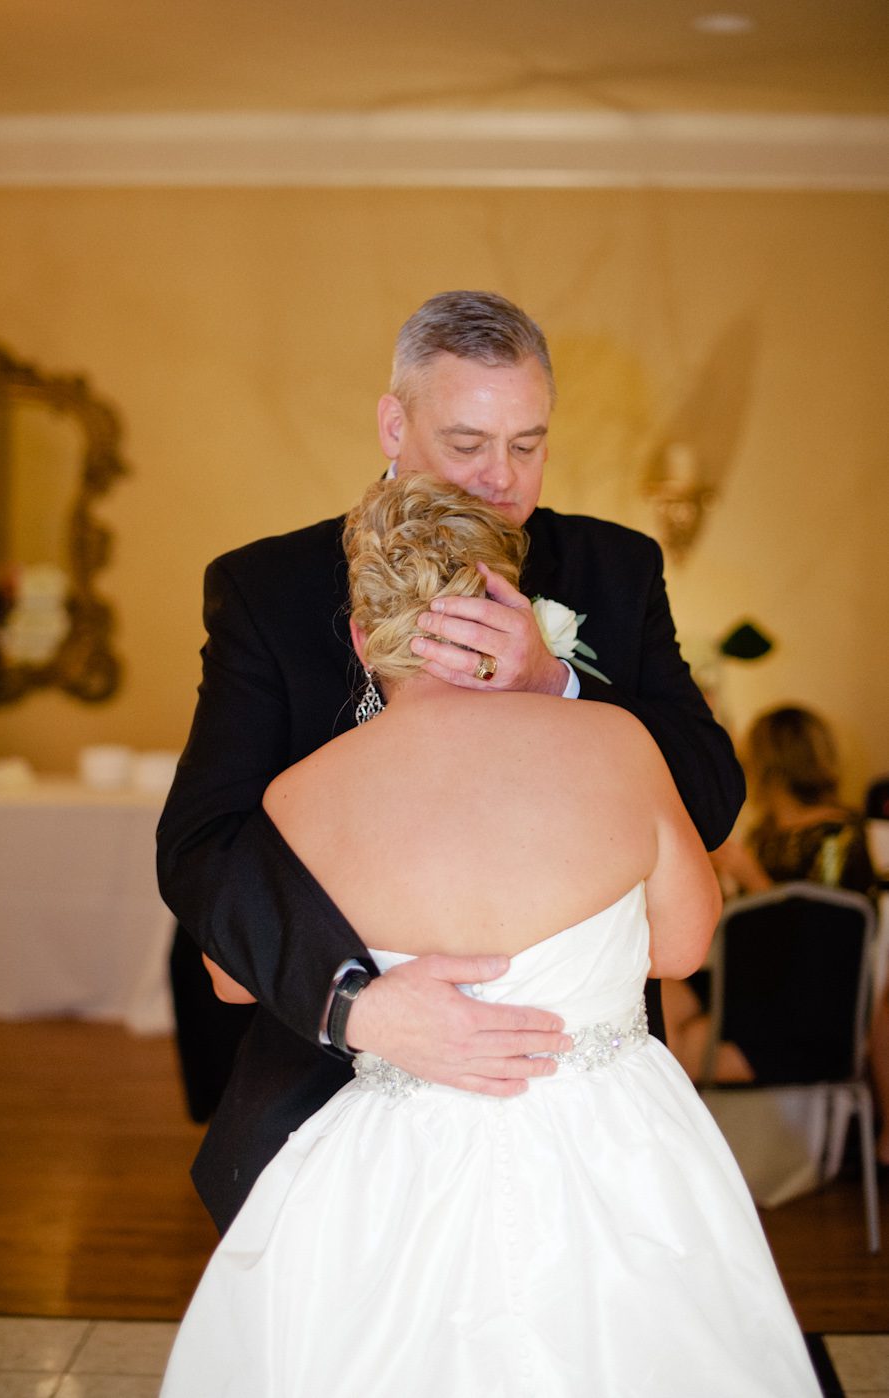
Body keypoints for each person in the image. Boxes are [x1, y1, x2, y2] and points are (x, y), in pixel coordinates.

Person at [159, 475, 817, 1397]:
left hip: (397, 1160)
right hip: (613, 1148)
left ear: (359, 638)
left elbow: (231, 977)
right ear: (513, 612)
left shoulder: (300, 795)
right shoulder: (618, 745)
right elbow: (684, 946)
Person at [156, 289, 745, 1234]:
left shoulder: (613, 570)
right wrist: (356, 1009)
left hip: (581, 1105)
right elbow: (202, 846)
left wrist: (558, 686)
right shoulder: (269, 589)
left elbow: (710, 797)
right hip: (338, 1098)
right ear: (395, 421)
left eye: (527, 444)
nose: (499, 479)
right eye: (467, 442)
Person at [664, 705, 877, 1082]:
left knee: (680, 1047)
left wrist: (754, 878)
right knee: (658, 999)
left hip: (799, 999)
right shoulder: (765, 834)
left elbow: (822, 939)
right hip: (753, 979)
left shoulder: (837, 834)